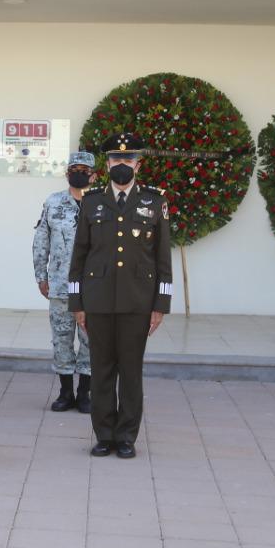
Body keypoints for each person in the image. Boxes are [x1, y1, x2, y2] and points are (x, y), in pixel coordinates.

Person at [69, 132, 172, 459]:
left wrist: (160, 305)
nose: (122, 164)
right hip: (97, 301)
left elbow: (163, 259)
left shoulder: (155, 201)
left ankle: (126, 436)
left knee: (130, 371)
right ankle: (104, 435)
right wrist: (77, 303)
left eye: (128, 159)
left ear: (138, 164)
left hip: (137, 302)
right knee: (100, 370)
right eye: (116, 159)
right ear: (107, 163)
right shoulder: (92, 200)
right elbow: (79, 257)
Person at [32, 152, 95, 413]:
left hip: (94, 287)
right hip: (60, 285)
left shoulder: (102, 203)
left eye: (84, 169)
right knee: (61, 339)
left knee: (92, 341)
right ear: (67, 172)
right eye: (74, 168)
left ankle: (84, 394)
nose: (78, 172)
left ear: (94, 174)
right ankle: (65, 392)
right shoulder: (54, 202)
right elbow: (41, 240)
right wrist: (41, 275)